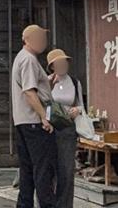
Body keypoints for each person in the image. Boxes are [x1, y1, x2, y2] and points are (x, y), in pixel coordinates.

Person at [12, 24, 57, 208]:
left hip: (23, 121)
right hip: (33, 121)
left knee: (28, 168)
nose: (43, 42)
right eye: (40, 38)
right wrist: (43, 117)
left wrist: (47, 82)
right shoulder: (29, 59)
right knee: (42, 168)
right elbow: (29, 91)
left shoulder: (22, 58)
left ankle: (24, 205)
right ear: (28, 40)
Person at [47, 48, 84, 208]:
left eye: (64, 62)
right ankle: (47, 203)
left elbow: (81, 105)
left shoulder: (75, 82)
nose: (63, 65)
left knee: (67, 171)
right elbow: (42, 103)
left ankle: (65, 205)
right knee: (48, 169)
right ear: (52, 66)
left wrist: (78, 110)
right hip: (50, 129)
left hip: (68, 130)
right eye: (59, 63)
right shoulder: (47, 81)